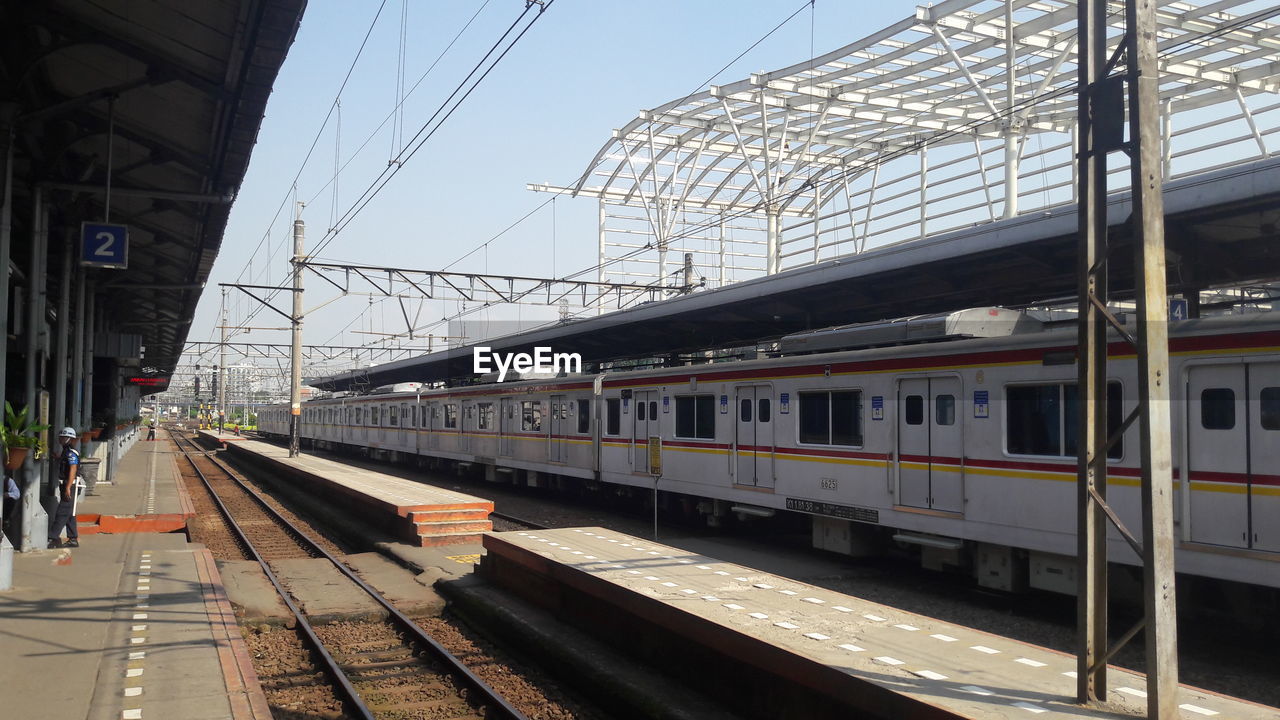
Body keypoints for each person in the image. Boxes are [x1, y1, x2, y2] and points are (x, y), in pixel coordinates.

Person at [48, 426, 81, 549]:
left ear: (69, 439)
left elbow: (73, 468)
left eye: (63, 437)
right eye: (60, 437)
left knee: (62, 512)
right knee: (69, 513)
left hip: (70, 486)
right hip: (67, 485)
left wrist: (68, 487)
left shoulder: (71, 452)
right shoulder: (66, 451)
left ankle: (52, 538)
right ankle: (73, 538)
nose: (60, 439)